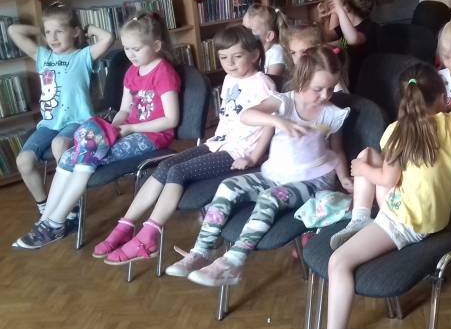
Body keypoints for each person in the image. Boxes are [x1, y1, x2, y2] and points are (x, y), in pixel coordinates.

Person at [323, 64, 451, 329]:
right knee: (369, 153)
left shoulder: (397, 132)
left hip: (406, 221)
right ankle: (360, 220)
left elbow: (387, 179)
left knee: (338, 262)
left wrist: (361, 170)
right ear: (442, 97)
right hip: (432, 215)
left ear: (403, 99)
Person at [165, 45, 350, 285]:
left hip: (313, 181)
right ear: (302, 79)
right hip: (277, 174)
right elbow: (247, 115)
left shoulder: (332, 114)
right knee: (228, 187)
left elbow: (337, 150)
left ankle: (233, 262)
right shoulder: (284, 102)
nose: (325, 95)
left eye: (330, 88)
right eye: (318, 89)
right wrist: (279, 122)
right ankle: (201, 251)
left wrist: (344, 179)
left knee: (270, 198)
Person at [91, 25, 276, 263]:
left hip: (240, 152)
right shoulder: (230, 79)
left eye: (237, 56)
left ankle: (148, 237)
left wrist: (253, 157)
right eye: (223, 58)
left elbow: (270, 124)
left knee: (178, 172)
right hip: (218, 144)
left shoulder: (262, 83)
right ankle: (125, 226)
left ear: (255, 55)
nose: (229, 63)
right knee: (165, 166)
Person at [13, 13, 181, 250]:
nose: (130, 55)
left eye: (136, 49)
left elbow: (171, 120)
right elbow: (124, 110)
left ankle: (55, 224)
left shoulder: (163, 72)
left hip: (152, 137)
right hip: (128, 131)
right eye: (126, 49)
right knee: (69, 155)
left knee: (87, 154)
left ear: (156, 46)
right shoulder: (132, 72)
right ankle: (46, 220)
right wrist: (113, 127)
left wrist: (130, 128)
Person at [8, 2, 114, 218]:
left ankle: (69, 206)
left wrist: (89, 29)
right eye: (48, 33)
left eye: (59, 31)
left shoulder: (83, 56)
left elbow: (108, 38)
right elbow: (13, 30)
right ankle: (45, 207)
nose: (53, 38)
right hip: (49, 124)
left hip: (77, 121)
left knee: (59, 145)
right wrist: (41, 29)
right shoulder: (43, 57)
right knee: (24, 161)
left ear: (74, 32)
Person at [319, 0, 377, 87]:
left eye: (339, 1)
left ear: (346, 7)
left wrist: (340, 11)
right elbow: (329, 38)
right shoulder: (344, 28)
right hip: (352, 78)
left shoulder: (370, 27)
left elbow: (352, 40)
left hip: (369, 80)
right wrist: (325, 19)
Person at [284, 24, 348, 92]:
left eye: (305, 52)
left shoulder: (328, 77)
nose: (298, 58)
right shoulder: (297, 74)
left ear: (320, 51)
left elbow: (346, 41)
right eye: (293, 52)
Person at [242, 3, 289, 77]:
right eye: (243, 29)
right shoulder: (257, 52)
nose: (243, 34)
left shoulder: (276, 52)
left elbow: (271, 81)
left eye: (250, 31)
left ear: (269, 36)